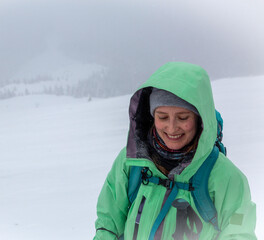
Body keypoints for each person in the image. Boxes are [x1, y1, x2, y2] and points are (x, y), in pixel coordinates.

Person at [93, 62, 256, 240]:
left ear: (199, 118)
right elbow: (108, 223)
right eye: (162, 117)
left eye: (183, 117)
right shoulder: (131, 163)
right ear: (152, 116)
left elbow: (239, 234)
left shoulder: (225, 177)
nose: (172, 128)